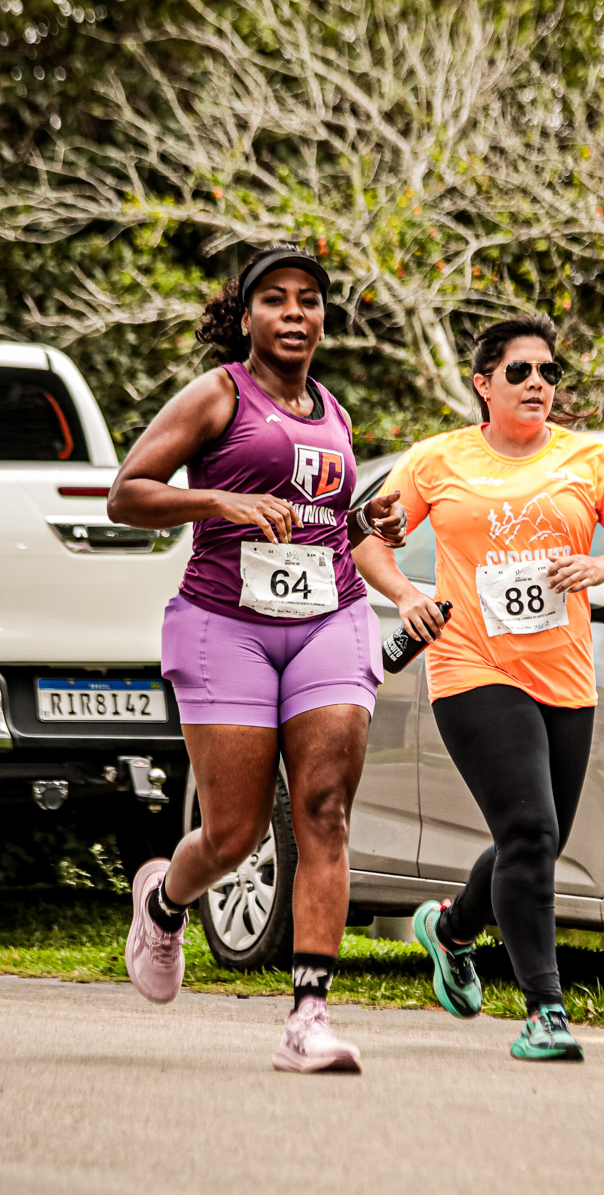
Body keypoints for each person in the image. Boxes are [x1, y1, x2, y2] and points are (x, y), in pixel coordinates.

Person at [107, 243, 406, 1074]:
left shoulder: (334, 412)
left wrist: (367, 523)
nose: (294, 312)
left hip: (328, 619)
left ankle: (308, 1019)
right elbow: (127, 493)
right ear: (246, 318)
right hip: (223, 624)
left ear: (323, 319)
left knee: (324, 810)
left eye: (309, 299)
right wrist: (220, 500)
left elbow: (321, 525)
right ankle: (164, 903)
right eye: (275, 299)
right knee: (235, 835)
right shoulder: (218, 395)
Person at [353, 314, 604, 1061]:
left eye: (548, 372)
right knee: (529, 833)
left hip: (565, 674)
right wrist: (406, 595)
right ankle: (545, 1011)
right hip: (471, 667)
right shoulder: (438, 460)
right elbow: (368, 536)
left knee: (536, 840)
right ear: (483, 384)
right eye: (520, 371)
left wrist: (601, 566)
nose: (538, 383)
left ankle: (451, 929)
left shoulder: (590, 460)